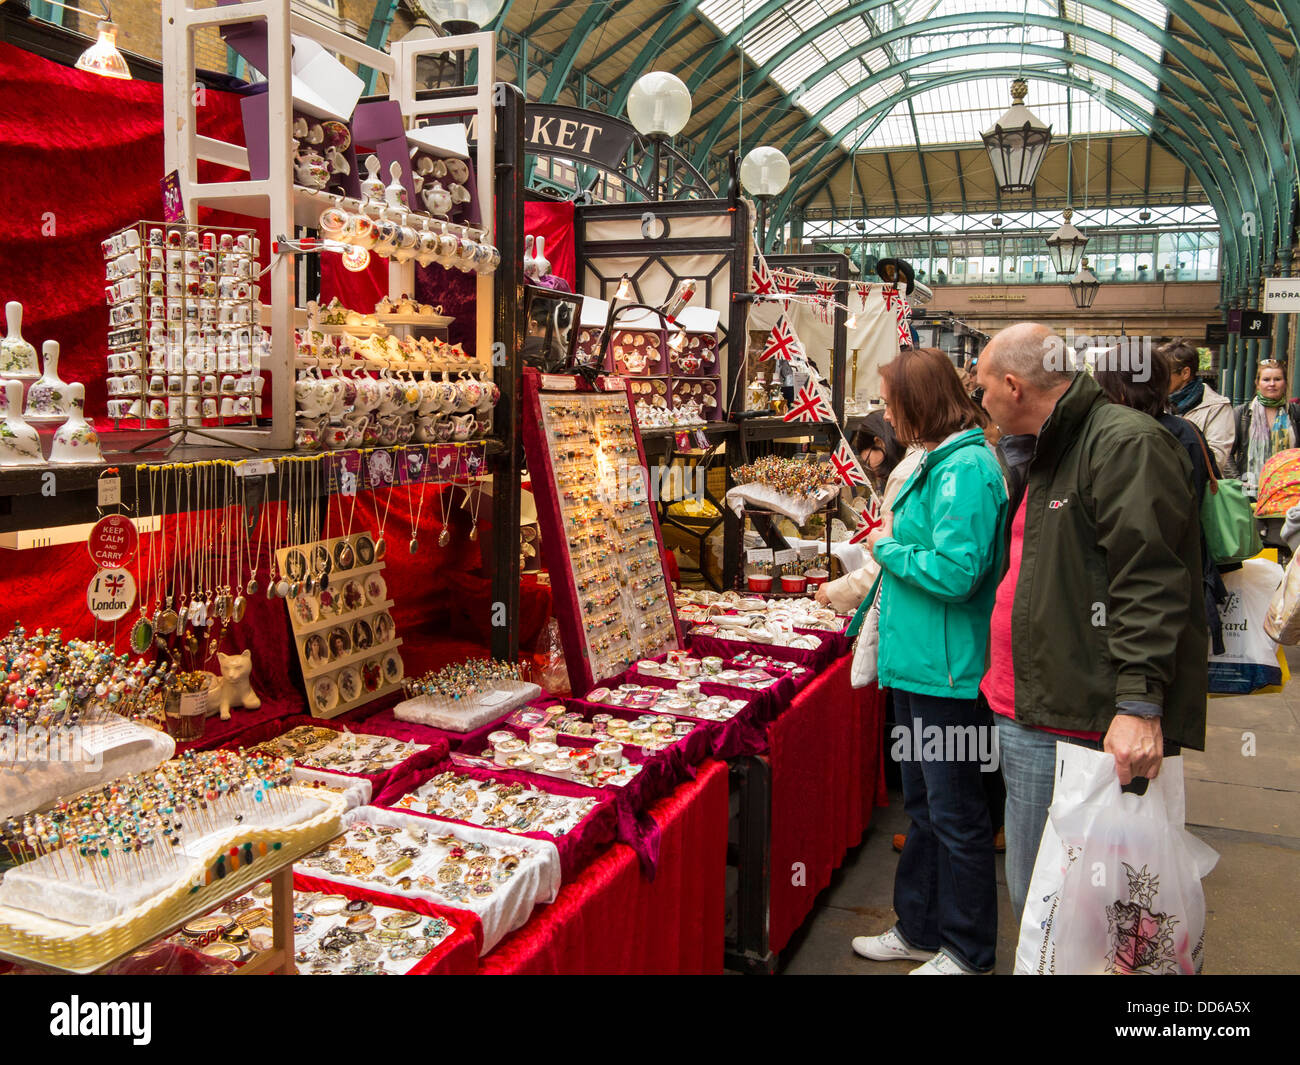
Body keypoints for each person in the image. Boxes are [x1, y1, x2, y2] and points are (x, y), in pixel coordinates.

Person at [974, 323, 1208, 928]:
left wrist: (1138, 703)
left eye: (982, 388)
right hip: (1036, 704)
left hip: (1081, 716)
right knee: (1040, 894)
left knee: (1081, 909)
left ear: (1012, 386)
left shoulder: (1122, 443)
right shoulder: (1049, 447)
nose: (981, 403)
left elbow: (1151, 578)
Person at [850, 348, 1008, 976]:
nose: (887, 416)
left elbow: (958, 572)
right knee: (924, 807)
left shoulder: (966, 468)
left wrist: (889, 550)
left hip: (948, 670)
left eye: (891, 404)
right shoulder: (942, 460)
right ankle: (920, 928)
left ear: (917, 403)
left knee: (955, 815)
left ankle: (968, 951)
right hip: (921, 665)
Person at [1095, 348, 1229, 655]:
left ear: (1117, 389)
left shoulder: (1130, 439)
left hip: (1145, 585)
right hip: (1184, 572)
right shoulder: (1185, 431)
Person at [1163, 340, 1235, 473]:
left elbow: (1216, 460)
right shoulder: (1157, 403)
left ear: (1185, 373)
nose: (1159, 379)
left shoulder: (1217, 407)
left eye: (1164, 373)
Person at [1231, 359, 1300, 493]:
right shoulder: (1242, 413)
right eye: (1266, 379)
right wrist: (1237, 481)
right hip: (1248, 491)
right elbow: (1227, 453)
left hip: (1289, 491)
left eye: (1277, 379)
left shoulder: (1296, 413)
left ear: (1285, 383)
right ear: (1257, 384)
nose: (1272, 384)